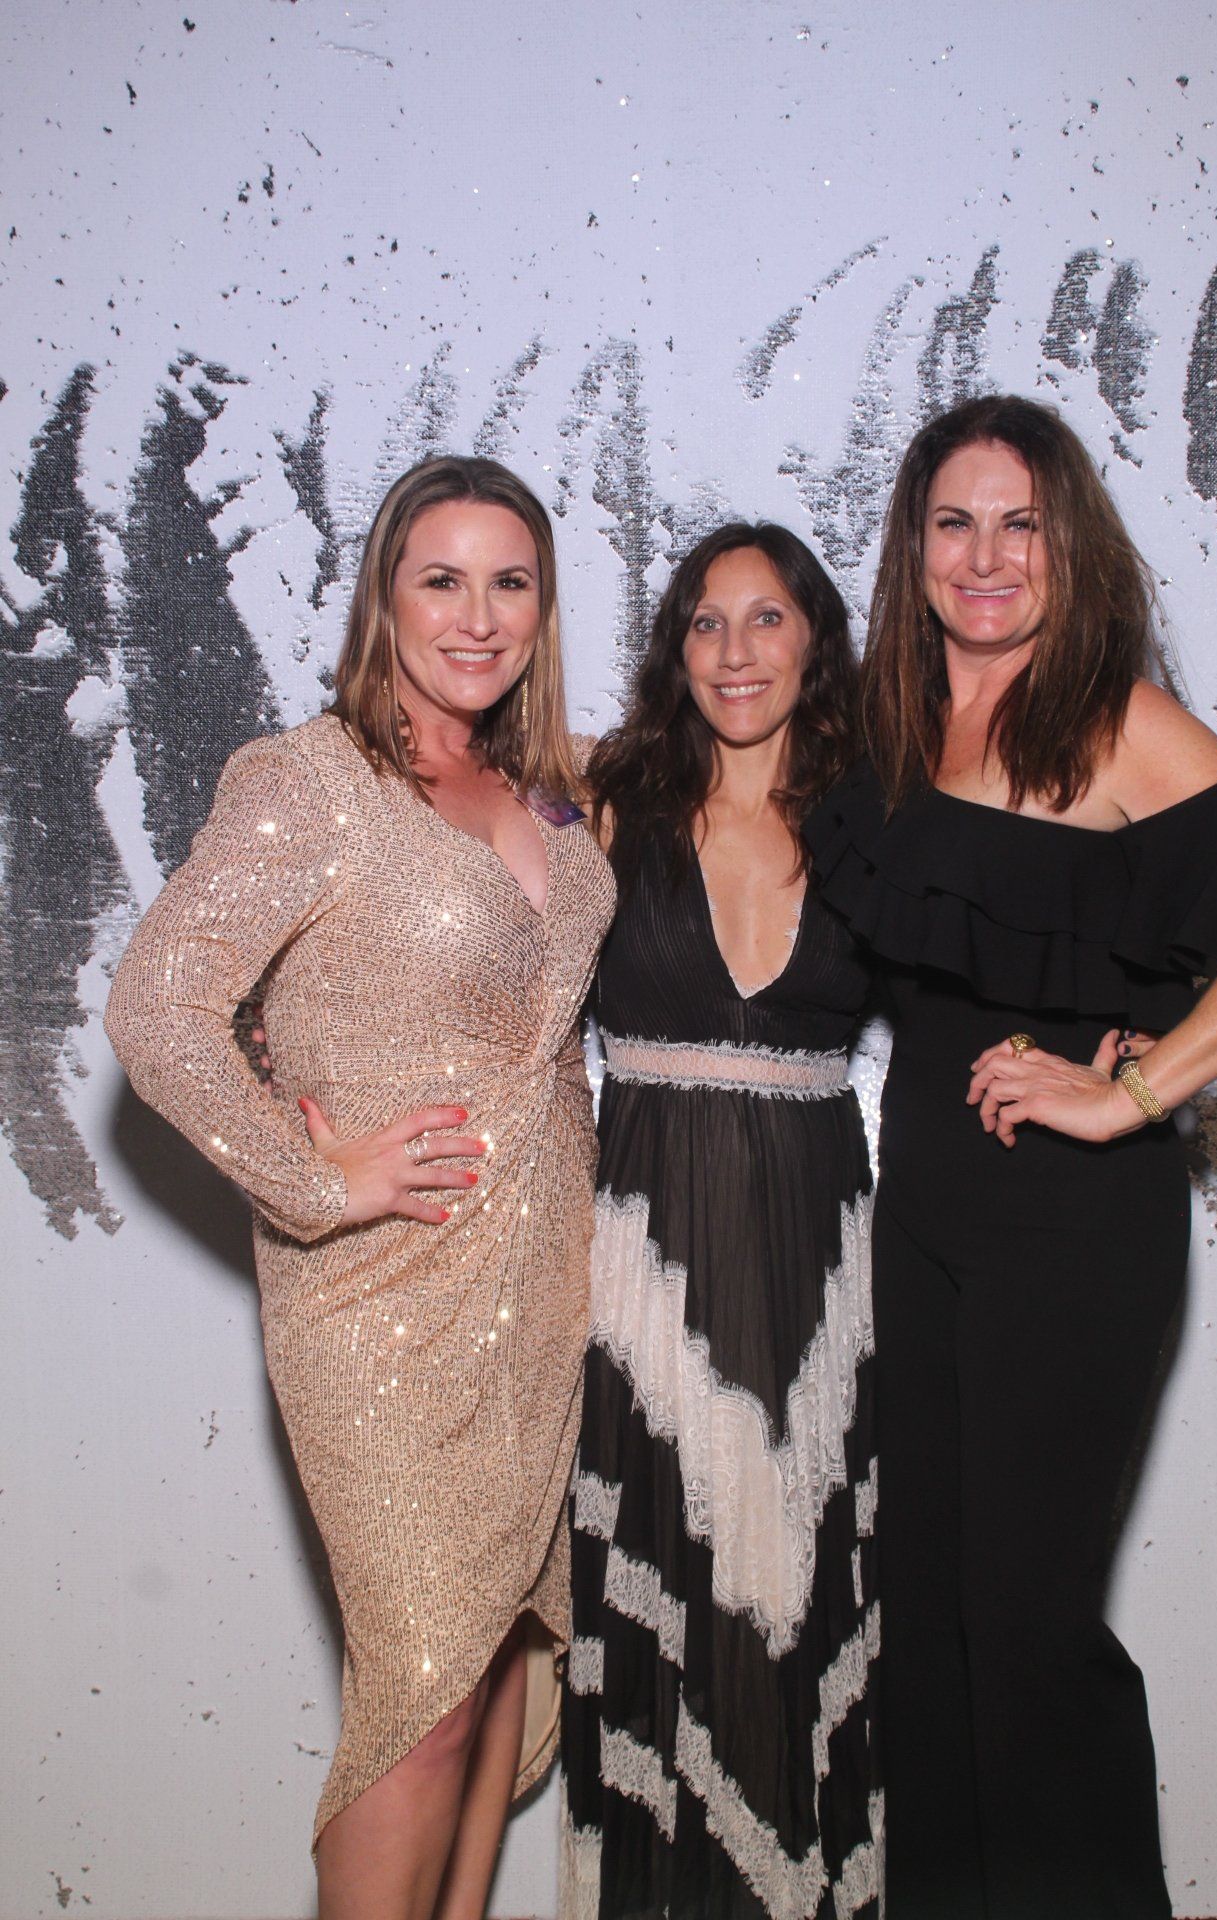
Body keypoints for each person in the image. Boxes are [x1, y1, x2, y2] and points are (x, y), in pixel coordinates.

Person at [105, 455, 615, 1920]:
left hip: (545, 1287)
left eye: (510, 583)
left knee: (505, 1653)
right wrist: (309, 1173)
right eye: (440, 579)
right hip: (385, 1300)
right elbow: (157, 1006)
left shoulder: (551, 792)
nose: (478, 616)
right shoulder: (310, 781)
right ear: (385, 596)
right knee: (423, 1691)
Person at [805, 394, 1217, 1920]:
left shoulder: (1118, 724)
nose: (987, 554)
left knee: (1026, 1632)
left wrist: (1136, 1093)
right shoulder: (890, 732)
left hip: (1074, 1233)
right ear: (914, 547)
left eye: (1022, 522)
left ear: (1069, 545)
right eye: (955, 522)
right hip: (924, 1213)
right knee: (925, 1627)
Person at [561, 524, 883, 1919]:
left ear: (815, 640)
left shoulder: (878, 820)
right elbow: (466, 945)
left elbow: (996, 961)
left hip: (819, 1261)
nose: (736, 651)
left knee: (800, 1590)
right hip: (644, 1265)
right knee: (669, 1584)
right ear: (674, 649)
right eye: (705, 621)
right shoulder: (602, 803)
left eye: (766, 618)